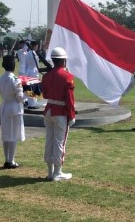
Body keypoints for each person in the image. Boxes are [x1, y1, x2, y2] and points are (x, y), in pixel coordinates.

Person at [41, 47, 75, 181]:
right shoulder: (67, 76)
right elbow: (69, 99)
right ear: (64, 61)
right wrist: (71, 115)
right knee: (59, 142)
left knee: (49, 140)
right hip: (60, 112)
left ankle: (50, 172)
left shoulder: (47, 76)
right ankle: (58, 172)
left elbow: (45, 95)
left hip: (49, 110)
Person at [0, 55, 25, 169]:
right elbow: (20, 97)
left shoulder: (0, 78)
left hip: (4, 106)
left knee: (6, 135)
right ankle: (10, 160)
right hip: (14, 108)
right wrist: (29, 94)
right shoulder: (15, 80)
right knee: (13, 135)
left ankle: (7, 159)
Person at [24, 41, 41, 109]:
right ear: (35, 46)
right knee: (34, 88)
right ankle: (32, 104)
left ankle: (31, 102)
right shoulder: (34, 53)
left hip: (28, 70)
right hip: (34, 71)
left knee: (30, 88)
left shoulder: (27, 53)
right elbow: (37, 64)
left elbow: (26, 64)